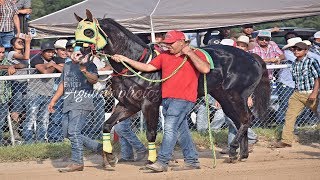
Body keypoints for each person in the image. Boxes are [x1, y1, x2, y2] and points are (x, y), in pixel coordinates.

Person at [111, 30, 210, 172]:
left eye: (171, 43)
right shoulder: (164, 56)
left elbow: (205, 69)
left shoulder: (194, 54)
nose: (168, 46)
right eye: (167, 43)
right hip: (167, 100)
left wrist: (190, 53)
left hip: (183, 99)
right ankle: (192, 160)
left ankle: (162, 161)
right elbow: (147, 67)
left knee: (169, 128)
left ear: (182, 42)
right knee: (181, 130)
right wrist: (125, 59)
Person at [48, 50, 102, 173]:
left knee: (73, 132)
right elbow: (63, 84)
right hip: (68, 103)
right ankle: (100, 148)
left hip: (82, 102)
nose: (75, 54)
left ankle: (77, 162)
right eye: (72, 51)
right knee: (68, 133)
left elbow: (94, 80)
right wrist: (53, 100)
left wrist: (83, 68)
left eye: (78, 53)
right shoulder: (67, 65)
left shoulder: (89, 65)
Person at [271, 42, 320, 148]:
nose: (296, 51)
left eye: (299, 49)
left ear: (306, 51)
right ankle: (286, 140)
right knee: (289, 116)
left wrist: (315, 93)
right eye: (294, 49)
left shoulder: (311, 62)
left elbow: (318, 78)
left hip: (311, 93)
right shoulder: (294, 63)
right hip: (298, 94)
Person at [22, 42, 62, 143]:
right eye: (48, 52)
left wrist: (51, 65)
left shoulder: (55, 60)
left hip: (48, 94)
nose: (50, 54)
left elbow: (64, 69)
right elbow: (45, 72)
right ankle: (28, 142)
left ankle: (41, 141)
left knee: (44, 119)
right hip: (34, 92)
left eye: (52, 52)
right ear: (42, 52)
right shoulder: (37, 58)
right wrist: (53, 65)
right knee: (31, 118)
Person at [7, 35, 31, 138]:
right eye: (19, 42)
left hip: (26, 84)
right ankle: (15, 132)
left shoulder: (24, 53)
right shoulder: (12, 53)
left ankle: (20, 128)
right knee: (16, 108)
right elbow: (26, 57)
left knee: (26, 109)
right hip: (17, 84)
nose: (21, 43)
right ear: (13, 45)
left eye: (22, 42)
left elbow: (26, 57)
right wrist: (28, 42)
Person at [47, 39, 68, 143]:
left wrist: (55, 66)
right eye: (62, 50)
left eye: (66, 50)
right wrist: (56, 65)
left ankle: (64, 137)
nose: (64, 52)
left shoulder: (70, 60)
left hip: (69, 94)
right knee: (56, 117)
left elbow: (66, 70)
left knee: (67, 118)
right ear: (56, 51)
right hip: (57, 93)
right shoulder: (55, 59)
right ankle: (55, 139)